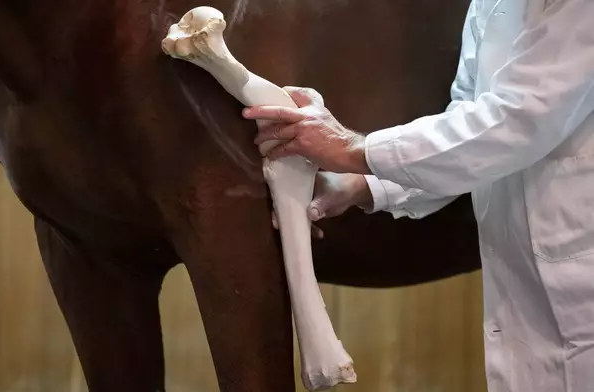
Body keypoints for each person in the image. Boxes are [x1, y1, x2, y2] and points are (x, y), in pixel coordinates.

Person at [242, 0, 594, 391]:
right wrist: (360, 185)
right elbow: (468, 130)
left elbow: (518, 119)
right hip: (527, 305)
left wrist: (349, 149)